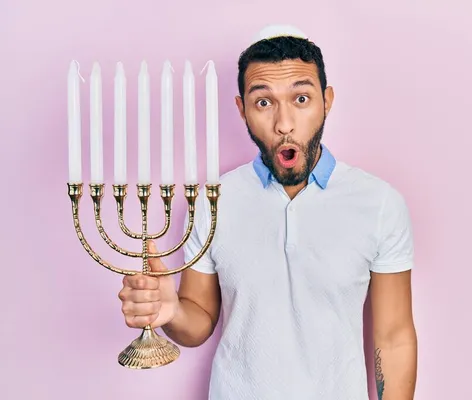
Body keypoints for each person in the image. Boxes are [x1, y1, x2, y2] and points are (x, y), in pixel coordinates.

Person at [118, 24, 417, 400]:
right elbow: (199, 320)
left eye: (301, 99)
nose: (284, 123)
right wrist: (172, 311)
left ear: (327, 100)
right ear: (242, 110)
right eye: (264, 102)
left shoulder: (379, 204)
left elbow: (393, 337)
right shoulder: (212, 201)